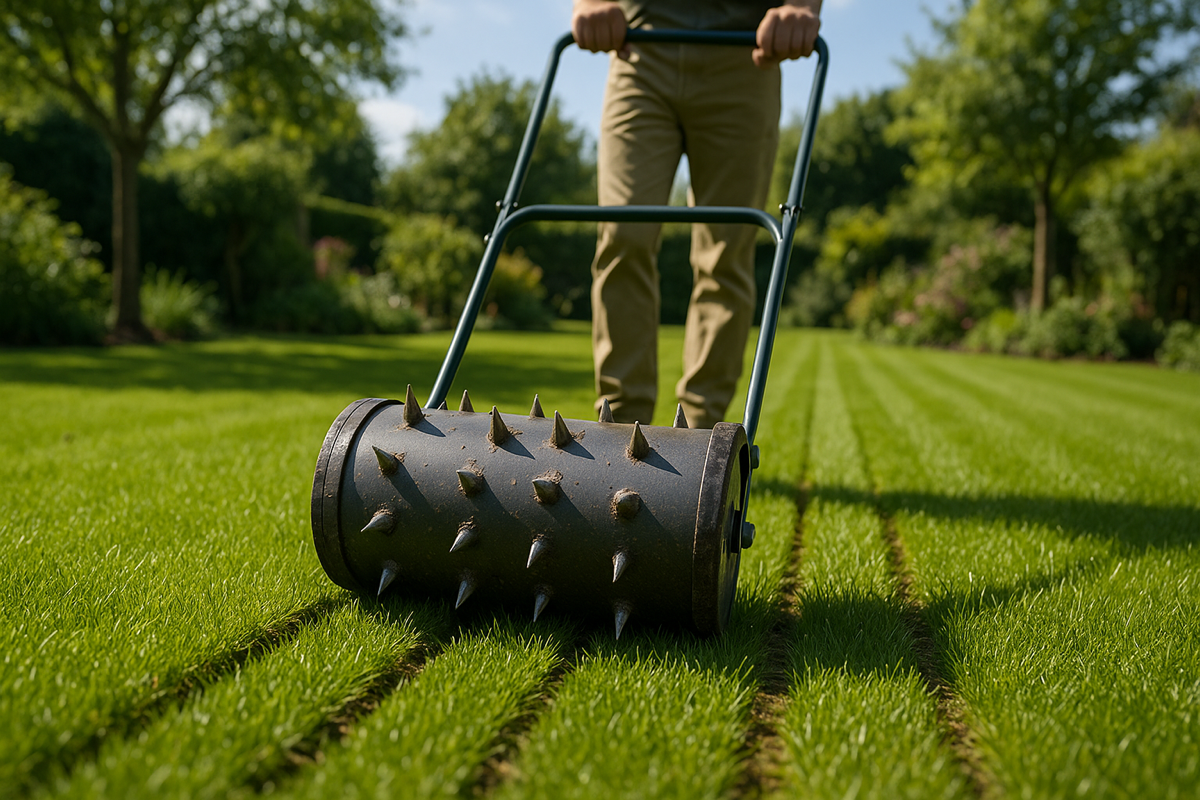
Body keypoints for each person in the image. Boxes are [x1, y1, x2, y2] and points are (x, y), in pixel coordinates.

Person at [571, 0, 822, 428]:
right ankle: (620, 428)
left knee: (725, 251)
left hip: (747, 51)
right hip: (641, 46)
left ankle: (700, 437)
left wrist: (801, 5)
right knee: (623, 235)